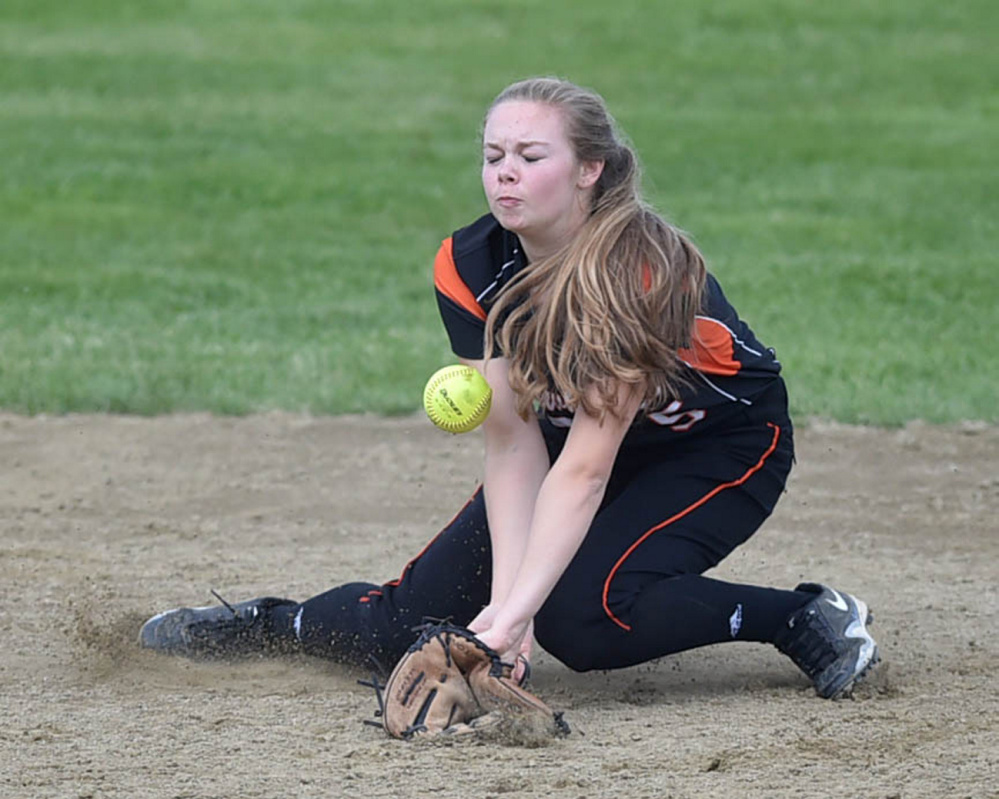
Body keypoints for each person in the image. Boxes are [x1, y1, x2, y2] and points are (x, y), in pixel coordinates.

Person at [139, 77, 879, 700]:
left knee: (581, 618)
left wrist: (517, 617)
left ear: (589, 169)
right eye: (493, 156)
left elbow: (586, 472)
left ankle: (802, 618)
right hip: (570, 442)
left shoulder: (641, 274)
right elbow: (515, 445)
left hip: (716, 448)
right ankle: (272, 622)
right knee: (408, 630)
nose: (504, 173)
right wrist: (499, 608)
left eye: (530, 155)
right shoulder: (468, 265)